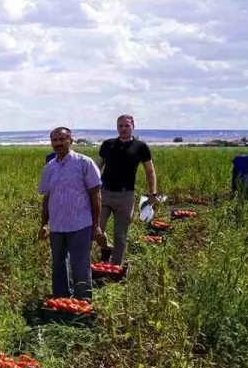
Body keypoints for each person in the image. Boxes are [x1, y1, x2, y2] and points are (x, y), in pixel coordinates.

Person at [38, 128, 104, 301]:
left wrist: (96, 225)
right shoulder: (50, 167)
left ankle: (83, 302)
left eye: (62, 139)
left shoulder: (84, 163)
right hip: (57, 225)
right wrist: (44, 224)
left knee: (80, 264)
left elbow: (95, 194)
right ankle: (61, 301)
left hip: (80, 223)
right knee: (58, 264)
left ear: (70, 140)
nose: (58, 143)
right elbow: (47, 197)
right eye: (54, 140)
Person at [96, 115, 158, 264]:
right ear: (117, 128)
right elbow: (97, 167)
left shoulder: (140, 147)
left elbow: (150, 171)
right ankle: (106, 247)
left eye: (126, 126)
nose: (123, 129)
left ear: (133, 126)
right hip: (104, 194)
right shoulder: (108, 144)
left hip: (125, 196)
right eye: (120, 126)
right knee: (96, 230)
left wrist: (153, 192)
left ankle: (115, 268)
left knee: (120, 235)